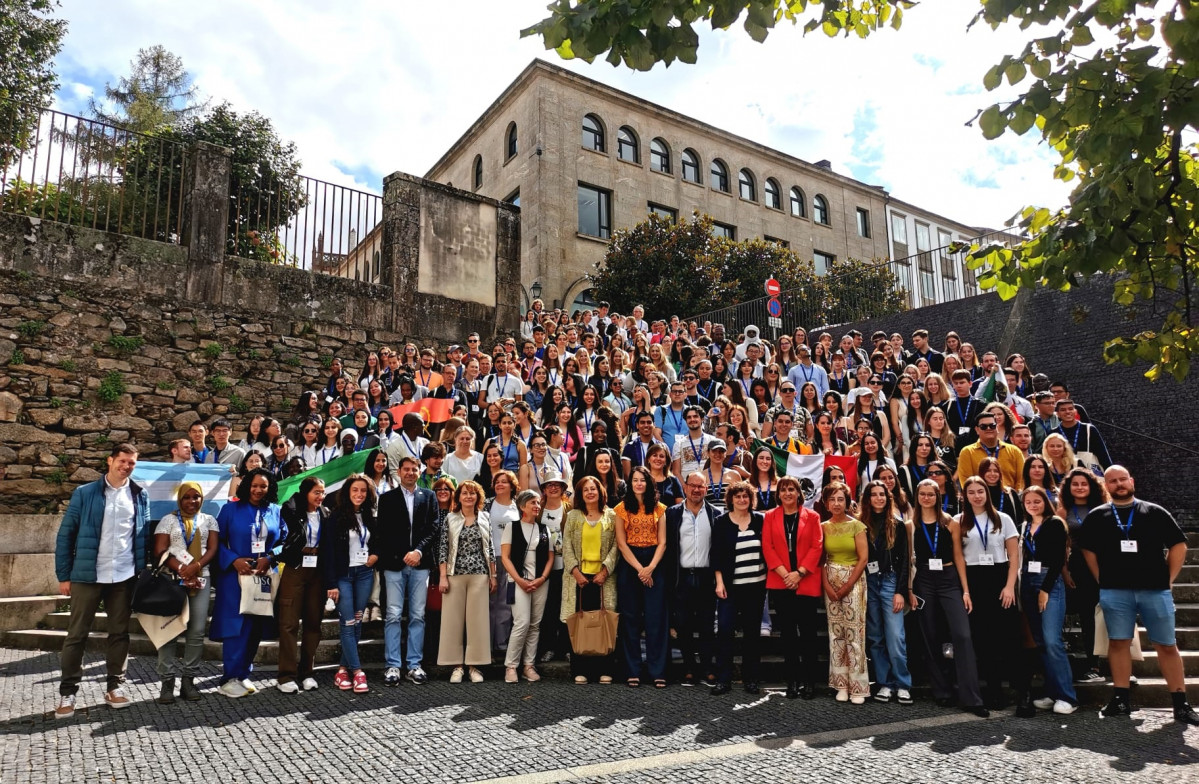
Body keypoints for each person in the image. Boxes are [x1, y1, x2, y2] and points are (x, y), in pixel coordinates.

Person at [1081, 466, 1198, 723]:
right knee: (1118, 643)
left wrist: (1169, 578)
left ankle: (1181, 703)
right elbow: (1087, 549)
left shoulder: (1155, 512)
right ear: (1106, 486)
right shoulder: (1097, 516)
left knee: (1167, 645)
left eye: (1123, 479)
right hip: (1115, 590)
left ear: (1131, 481)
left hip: (1154, 590)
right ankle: (1121, 700)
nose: (1119, 484)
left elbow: (1179, 544)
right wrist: (1100, 577)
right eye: (1113, 481)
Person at [54, 443, 152, 718]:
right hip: (87, 574)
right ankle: (68, 693)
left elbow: (142, 536)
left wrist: (141, 570)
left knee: (119, 633)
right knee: (76, 634)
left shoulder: (140, 495)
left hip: (123, 575)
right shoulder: (84, 493)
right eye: (122, 461)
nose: (126, 466)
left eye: (131, 463)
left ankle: (115, 687)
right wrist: (64, 575)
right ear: (110, 461)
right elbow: (66, 535)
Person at [909, 479, 989, 717]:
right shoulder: (910, 525)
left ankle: (971, 697)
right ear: (917, 497)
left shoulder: (950, 523)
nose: (926, 498)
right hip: (923, 579)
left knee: (962, 635)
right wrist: (910, 590)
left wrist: (965, 590)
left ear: (937, 496)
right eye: (922, 494)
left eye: (930, 494)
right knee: (930, 634)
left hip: (948, 577)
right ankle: (942, 691)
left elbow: (959, 556)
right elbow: (907, 560)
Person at [211, 467, 286, 699]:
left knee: (255, 625)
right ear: (247, 487)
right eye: (254, 486)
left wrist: (270, 557)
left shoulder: (276, 510)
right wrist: (233, 560)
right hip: (236, 576)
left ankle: (243, 673)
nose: (258, 490)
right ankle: (229, 678)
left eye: (263, 486)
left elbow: (285, 540)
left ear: (270, 488)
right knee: (237, 626)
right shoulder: (230, 509)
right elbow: (216, 542)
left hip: (263, 575)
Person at [958, 476, 1023, 712]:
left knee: (1004, 637)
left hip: (999, 579)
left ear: (987, 493)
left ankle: (1016, 691)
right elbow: (959, 560)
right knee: (982, 639)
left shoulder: (1003, 519)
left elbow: (1014, 556)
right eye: (971, 492)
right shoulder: (959, 521)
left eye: (980, 491)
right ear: (965, 495)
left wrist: (1009, 586)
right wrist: (965, 590)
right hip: (974, 581)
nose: (976, 496)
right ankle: (991, 691)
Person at [151, 481, 219, 704]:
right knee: (170, 631)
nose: (192, 501)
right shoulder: (168, 520)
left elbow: (213, 548)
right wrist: (181, 569)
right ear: (179, 499)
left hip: (201, 578)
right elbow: (160, 550)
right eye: (187, 497)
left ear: (202, 498)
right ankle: (167, 682)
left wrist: (195, 567)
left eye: (196, 497)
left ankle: (189, 680)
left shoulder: (209, 520)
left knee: (197, 631)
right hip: (172, 580)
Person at [375, 455, 438, 686]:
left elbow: (433, 528)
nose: (410, 473)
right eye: (406, 469)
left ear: (420, 472)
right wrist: (404, 554)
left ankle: (414, 665)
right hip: (394, 564)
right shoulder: (387, 498)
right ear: (399, 472)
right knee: (392, 615)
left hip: (420, 564)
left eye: (414, 469)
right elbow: (383, 531)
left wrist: (418, 552)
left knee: (418, 616)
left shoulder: (429, 497)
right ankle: (393, 665)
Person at [762, 475, 824, 699]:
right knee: (787, 635)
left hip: (805, 580)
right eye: (784, 489)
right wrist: (785, 574)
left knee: (808, 634)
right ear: (778, 494)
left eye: (792, 489)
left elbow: (817, 546)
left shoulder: (813, 516)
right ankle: (792, 680)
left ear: (799, 493)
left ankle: (809, 682)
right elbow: (767, 547)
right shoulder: (770, 516)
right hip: (780, 581)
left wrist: (799, 573)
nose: (788, 493)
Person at [1018, 485, 1079, 714]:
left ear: (1045, 501)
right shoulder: (1024, 526)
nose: (1033, 505)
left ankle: (1068, 697)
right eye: (1028, 502)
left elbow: (1056, 560)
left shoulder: (1054, 523)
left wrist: (1045, 589)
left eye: (1037, 501)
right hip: (1028, 581)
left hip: (1048, 582)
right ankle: (1052, 692)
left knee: (1053, 640)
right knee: (1040, 641)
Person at [614, 467, 669, 688]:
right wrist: (640, 569)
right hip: (631, 564)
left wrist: (650, 568)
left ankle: (658, 671)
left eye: (642, 480)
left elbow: (663, 541)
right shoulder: (621, 509)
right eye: (635, 480)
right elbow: (621, 542)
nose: (638, 484)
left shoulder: (659, 508)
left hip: (655, 561)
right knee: (631, 619)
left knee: (656, 619)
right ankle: (633, 670)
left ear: (649, 483)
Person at [323, 474, 379, 694]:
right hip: (343, 576)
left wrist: (375, 555)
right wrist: (331, 584)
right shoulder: (335, 518)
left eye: (363, 491)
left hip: (364, 574)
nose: (359, 494)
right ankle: (358, 672)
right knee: (347, 622)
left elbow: (379, 541)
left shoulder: (370, 516)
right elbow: (327, 552)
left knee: (356, 621)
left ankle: (342, 670)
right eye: (355, 490)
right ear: (347, 492)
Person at [711, 481, 768, 695]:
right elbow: (715, 553)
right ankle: (723, 679)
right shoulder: (721, 522)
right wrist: (719, 582)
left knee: (752, 634)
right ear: (731, 499)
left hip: (755, 587)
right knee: (725, 631)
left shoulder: (760, 520)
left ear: (750, 499)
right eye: (738, 497)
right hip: (730, 588)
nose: (742, 500)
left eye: (745, 496)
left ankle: (751, 679)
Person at [438, 480, 497, 683]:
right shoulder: (450, 518)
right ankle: (457, 666)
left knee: (478, 622)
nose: (469, 497)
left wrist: (493, 575)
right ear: (459, 497)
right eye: (465, 493)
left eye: (472, 493)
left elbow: (491, 549)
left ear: (478, 496)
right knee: (452, 622)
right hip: (455, 574)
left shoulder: (485, 517)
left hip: (480, 574)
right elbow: (443, 549)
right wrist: (443, 576)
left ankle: (475, 666)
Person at [276, 476, 330, 694]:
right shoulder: (292, 510)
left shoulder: (326, 514)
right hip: (296, 567)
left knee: (313, 622)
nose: (321, 496)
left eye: (323, 492)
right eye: (316, 492)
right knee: (289, 623)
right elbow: (286, 522)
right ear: (305, 493)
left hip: (317, 569)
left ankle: (307, 672)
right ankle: (286, 675)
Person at [860, 480, 912, 705]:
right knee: (875, 637)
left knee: (895, 637)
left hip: (890, 582)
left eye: (882, 494)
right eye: (874, 494)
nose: (879, 498)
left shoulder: (897, 524)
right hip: (869, 582)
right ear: (868, 498)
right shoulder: (861, 523)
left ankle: (902, 684)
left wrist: (901, 591)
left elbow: (905, 561)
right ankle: (884, 683)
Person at [1056, 467, 1109, 685]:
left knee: (1101, 616)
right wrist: (1065, 571)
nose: (1079, 488)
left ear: (1092, 486)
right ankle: (1088, 664)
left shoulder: (1103, 508)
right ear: (1068, 488)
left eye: (1084, 484)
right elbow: (1059, 545)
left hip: (1101, 564)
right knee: (1085, 615)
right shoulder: (1062, 512)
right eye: (1075, 484)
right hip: (1075, 566)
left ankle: (1102, 664)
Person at [665, 472, 718, 686]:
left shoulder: (716, 514)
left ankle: (707, 668)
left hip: (706, 577)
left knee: (706, 626)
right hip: (682, 577)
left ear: (706, 489)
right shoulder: (672, 514)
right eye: (692, 485)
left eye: (701, 486)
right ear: (685, 487)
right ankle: (688, 668)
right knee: (684, 626)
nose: (696, 489)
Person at [819, 482, 870, 704]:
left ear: (847, 501)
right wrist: (828, 586)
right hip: (830, 578)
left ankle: (858, 686)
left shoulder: (857, 526)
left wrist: (848, 585)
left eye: (841, 499)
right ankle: (840, 684)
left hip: (854, 579)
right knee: (836, 634)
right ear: (826, 503)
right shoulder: (822, 526)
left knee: (854, 634)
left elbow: (863, 558)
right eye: (832, 499)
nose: (837, 503)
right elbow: (820, 560)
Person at [500, 490, 554, 682]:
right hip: (518, 581)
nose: (537, 506)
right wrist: (520, 580)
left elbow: (550, 558)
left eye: (538, 503)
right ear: (522, 506)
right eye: (532, 502)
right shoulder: (511, 527)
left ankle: (528, 665)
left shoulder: (544, 529)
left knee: (534, 624)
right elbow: (505, 557)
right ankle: (511, 666)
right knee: (521, 622)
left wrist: (542, 578)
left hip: (540, 582)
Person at [957, 411, 1025, 490]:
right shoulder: (967, 452)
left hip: (1008, 499)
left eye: (992, 426)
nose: (988, 428)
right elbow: (966, 483)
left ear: (997, 427)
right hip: (979, 499)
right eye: (983, 426)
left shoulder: (1014, 451)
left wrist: (1013, 498)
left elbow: (1022, 480)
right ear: (977, 430)